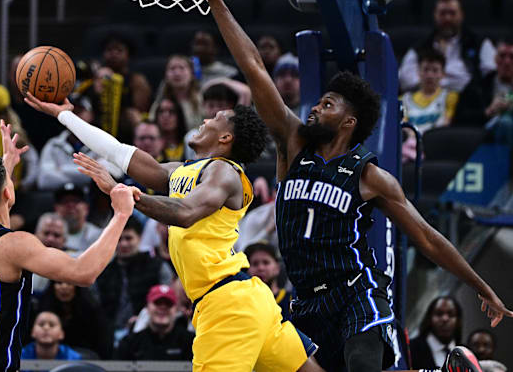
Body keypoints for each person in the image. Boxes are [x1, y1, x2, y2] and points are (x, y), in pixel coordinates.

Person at [167, 0, 513, 372]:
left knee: (362, 366)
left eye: (328, 104)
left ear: (350, 122)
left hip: (355, 293)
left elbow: (427, 237)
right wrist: (216, 2)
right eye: (319, 102)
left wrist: (482, 287)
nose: (316, 107)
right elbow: (254, 68)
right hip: (305, 300)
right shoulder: (293, 143)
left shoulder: (369, 176)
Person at [25, 87, 322, 371]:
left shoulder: (224, 171)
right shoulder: (182, 171)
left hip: (227, 304)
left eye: (214, 119)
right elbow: (119, 152)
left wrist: (122, 192)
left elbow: (186, 213)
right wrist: (65, 116)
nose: (205, 120)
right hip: (243, 298)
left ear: (226, 137)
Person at [0, 120, 136, 371]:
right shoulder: (13, 245)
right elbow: (84, 272)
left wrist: (8, 160)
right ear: (7, 192)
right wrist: (121, 215)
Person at [95, 216, 173, 340]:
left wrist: (145, 318)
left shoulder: (158, 267)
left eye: (128, 238)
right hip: (108, 333)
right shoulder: (103, 271)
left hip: (148, 332)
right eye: (119, 239)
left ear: (140, 237)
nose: (123, 244)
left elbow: (169, 301)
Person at [398, 0, 495, 93]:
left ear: (461, 15)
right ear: (435, 15)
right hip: (428, 101)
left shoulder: (479, 43)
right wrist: (441, 84)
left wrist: (432, 82)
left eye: (452, 13)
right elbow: (404, 79)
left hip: (467, 102)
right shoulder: (422, 46)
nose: (447, 18)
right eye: (442, 13)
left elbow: (491, 74)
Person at [401, 49, 459, 162]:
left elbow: (446, 122)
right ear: (419, 72)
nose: (430, 75)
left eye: (435, 70)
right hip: (411, 151)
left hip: (438, 148)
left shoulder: (451, 97)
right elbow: (406, 129)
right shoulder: (404, 100)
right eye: (426, 70)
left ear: (443, 74)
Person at [115, 284, 193, 361]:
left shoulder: (190, 342)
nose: (163, 307)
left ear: (175, 309)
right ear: (147, 307)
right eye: (157, 303)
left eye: (168, 303)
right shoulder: (130, 343)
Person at [38, 280, 112, 359]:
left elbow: (102, 341)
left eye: (69, 283)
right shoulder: (43, 309)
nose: (64, 287)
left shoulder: (90, 309)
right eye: (59, 283)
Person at [150, 55, 204, 130]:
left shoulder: (201, 101)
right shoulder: (159, 103)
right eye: (172, 69)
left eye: (182, 68)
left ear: (192, 74)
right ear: (166, 75)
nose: (177, 73)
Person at [410, 296, 463, 369]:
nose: (445, 319)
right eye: (439, 314)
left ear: (458, 320)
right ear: (429, 318)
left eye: (451, 314)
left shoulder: (465, 353)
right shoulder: (410, 349)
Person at [245, 243, 292, 322]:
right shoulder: (245, 303)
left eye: (266, 262)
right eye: (255, 264)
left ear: (277, 267)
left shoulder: (292, 299)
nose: (260, 268)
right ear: (247, 270)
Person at [53, 182, 102, 252]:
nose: (70, 205)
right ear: (56, 208)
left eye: (75, 201)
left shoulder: (98, 236)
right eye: (64, 201)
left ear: (86, 208)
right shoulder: (47, 234)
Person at [154, 97, 189, 162]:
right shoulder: (151, 144)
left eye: (171, 111)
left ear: (179, 116)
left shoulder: (188, 143)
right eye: (161, 111)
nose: (165, 115)